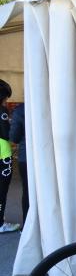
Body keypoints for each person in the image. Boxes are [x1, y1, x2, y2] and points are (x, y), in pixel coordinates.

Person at [0, 79, 19, 233]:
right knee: (2, 190)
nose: (6, 101)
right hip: (3, 154)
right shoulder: (2, 111)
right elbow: (7, 134)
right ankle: (0, 223)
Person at [9, 103, 28, 223]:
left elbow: (14, 137)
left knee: (28, 191)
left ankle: (28, 224)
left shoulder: (20, 110)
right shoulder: (54, 104)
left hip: (26, 157)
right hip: (52, 156)